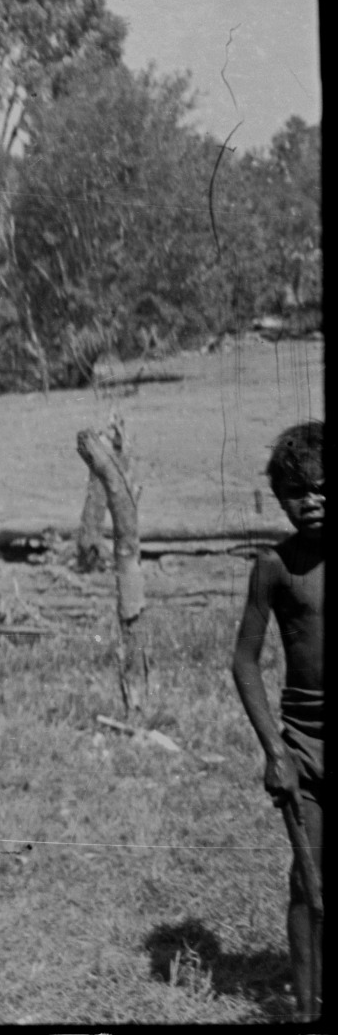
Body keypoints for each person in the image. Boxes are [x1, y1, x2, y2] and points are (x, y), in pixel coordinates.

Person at [231, 419, 323, 1022]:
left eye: (323, 488)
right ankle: (307, 1008)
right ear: (280, 499)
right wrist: (275, 751)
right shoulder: (274, 567)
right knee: (309, 886)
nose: (312, 500)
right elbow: (244, 662)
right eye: (297, 492)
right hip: (306, 743)